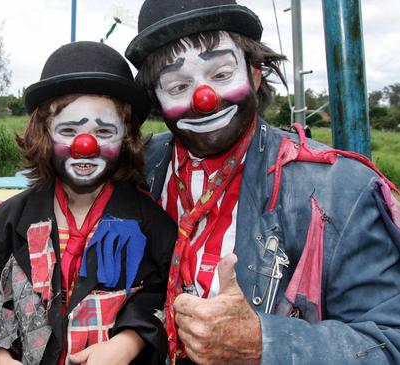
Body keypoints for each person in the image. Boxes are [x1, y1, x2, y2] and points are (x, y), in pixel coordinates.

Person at [123, 0, 400, 363]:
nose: (204, 99)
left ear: (254, 73)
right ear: (157, 99)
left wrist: (263, 344)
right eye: (177, 85)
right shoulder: (137, 168)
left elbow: (390, 342)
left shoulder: (339, 189)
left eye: (221, 74)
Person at [0, 41, 177, 364]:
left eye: (104, 130)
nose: (85, 145)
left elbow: (166, 298)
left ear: (127, 138)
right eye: (68, 129)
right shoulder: (5, 224)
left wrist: (131, 341)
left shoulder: (153, 226)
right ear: (45, 134)